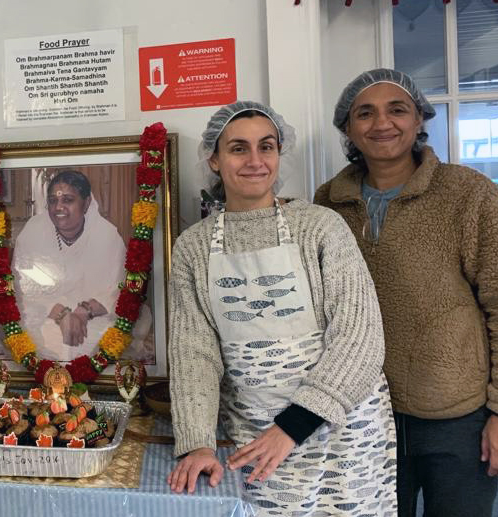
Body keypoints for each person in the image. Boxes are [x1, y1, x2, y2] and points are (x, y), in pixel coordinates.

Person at [315, 68, 498, 517]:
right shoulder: (327, 203)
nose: (382, 123)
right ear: (348, 128)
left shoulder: (466, 193)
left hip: (456, 416)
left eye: (397, 109)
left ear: (420, 119)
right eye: (365, 113)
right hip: (363, 417)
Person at [167, 101, 396, 515]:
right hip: (254, 436)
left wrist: (293, 426)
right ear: (214, 160)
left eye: (266, 147)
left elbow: (360, 338)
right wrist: (198, 442)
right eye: (238, 148)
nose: (255, 161)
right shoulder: (193, 248)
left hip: (341, 431)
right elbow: (193, 354)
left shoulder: (320, 227)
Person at [9, 169, 153, 363]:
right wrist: (60, 313)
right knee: (37, 338)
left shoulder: (107, 235)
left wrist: (83, 312)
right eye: (52, 201)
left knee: (100, 339)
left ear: (86, 204)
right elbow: (21, 286)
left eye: (67, 200)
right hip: (44, 312)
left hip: (96, 315)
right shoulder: (33, 231)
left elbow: (118, 291)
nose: (58, 207)